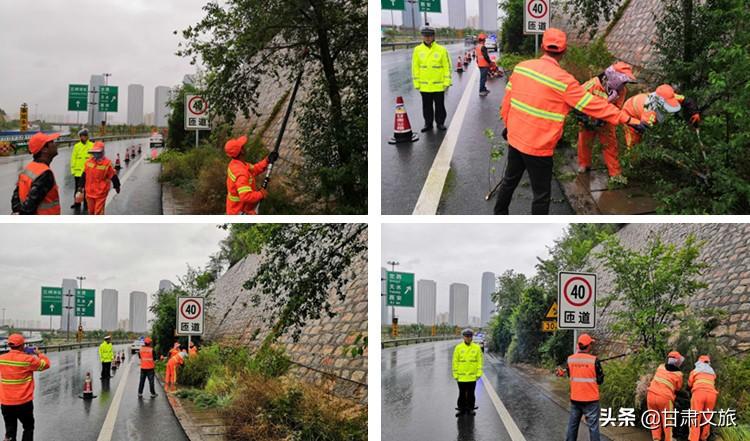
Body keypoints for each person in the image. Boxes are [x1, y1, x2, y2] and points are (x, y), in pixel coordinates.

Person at [495, 28, 646, 215]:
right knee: (541, 195)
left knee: (509, 181)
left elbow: (507, 102)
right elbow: (595, 106)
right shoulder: (565, 81)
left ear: (542, 46)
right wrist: (629, 119)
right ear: (564, 51)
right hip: (539, 148)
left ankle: (500, 213)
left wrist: (507, 125)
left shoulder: (521, 67)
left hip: (515, 139)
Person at [576, 62, 637, 185]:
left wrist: (605, 115)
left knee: (610, 146)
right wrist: (583, 116)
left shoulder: (621, 91)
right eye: (623, 81)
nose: (624, 85)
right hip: (588, 119)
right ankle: (584, 164)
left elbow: (617, 108)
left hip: (607, 121)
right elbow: (578, 100)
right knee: (584, 142)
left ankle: (615, 174)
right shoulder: (592, 84)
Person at [0, 334, 50, 441]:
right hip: (24, 403)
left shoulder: (2, 359)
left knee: (10, 431)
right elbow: (45, 364)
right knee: (28, 427)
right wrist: (39, 354)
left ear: (9, 345)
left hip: (6, 403)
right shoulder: (28, 360)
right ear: (23, 345)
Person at [622, 84, 700, 148]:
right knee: (634, 142)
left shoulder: (669, 96)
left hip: (640, 101)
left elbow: (687, 101)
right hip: (630, 112)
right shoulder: (650, 111)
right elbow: (646, 129)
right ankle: (632, 162)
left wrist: (694, 112)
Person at [412, 25, 452, 132]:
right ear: (422, 36)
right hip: (424, 85)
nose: (427, 37)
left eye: (429, 35)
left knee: (440, 106)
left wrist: (447, 81)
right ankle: (428, 124)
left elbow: (447, 66)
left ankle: (440, 123)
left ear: (434, 36)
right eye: (425, 35)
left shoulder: (441, 50)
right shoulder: (417, 50)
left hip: (439, 85)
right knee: (426, 107)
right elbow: (415, 67)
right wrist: (416, 83)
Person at [565, 333, 604, 441]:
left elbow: (569, 374)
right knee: (593, 427)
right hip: (591, 400)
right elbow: (600, 380)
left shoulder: (570, 359)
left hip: (575, 399)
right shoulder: (594, 360)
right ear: (588, 346)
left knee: (572, 426)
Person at [11, 132, 61, 215]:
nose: (55, 144)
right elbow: (29, 207)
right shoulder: (45, 174)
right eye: (51, 142)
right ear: (44, 149)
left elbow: (16, 196)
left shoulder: (29, 167)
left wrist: (17, 212)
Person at [225, 135, 276, 215]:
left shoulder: (237, 164)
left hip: (237, 208)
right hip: (239, 212)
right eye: (243, 146)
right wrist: (261, 194)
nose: (245, 147)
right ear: (241, 151)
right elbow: (245, 196)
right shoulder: (241, 173)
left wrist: (267, 160)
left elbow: (254, 169)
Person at [646, 351, 684, 441]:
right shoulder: (678, 374)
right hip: (664, 398)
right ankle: (669, 439)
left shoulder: (661, 367)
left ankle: (656, 438)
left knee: (654, 417)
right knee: (667, 419)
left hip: (651, 395)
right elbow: (678, 388)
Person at [82, 141, 120, 215]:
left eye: (98, 152)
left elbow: (113, 176)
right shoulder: (88, 162)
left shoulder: (107, 163)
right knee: (91, 211)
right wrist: (80, 188)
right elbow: (84, 175)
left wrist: (117, 186)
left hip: (100, 193)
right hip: (89, 192)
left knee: (98, 213)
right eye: (94, 152)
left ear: (102, 152)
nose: (96, 154)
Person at [452, 328, 483, 417]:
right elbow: (455, 361)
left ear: (472, 337)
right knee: (461, 393)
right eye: (466, 336)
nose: (468, 338)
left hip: (472, 376)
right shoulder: (458, 347)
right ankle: (461, 409)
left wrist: (479, 373)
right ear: (463, 337)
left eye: (470, 336)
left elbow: (479, 361)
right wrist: (455, 374)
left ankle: (470, 409)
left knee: (471, 394)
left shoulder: (476, 347)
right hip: (461, 376)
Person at [688, 355, 718, 441]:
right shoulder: (712, 372)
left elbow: (690, 384)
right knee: (707, 417)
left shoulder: (695, 371)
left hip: (699, 393)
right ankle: (704, 437)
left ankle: (694, 439)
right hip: (712, 395)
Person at [70, 129, 93, 210]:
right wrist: (73, 170)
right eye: (81, 136)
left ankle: (87, 204)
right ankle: (77, 203)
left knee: (87, 189)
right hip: (78, 172)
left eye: (84, 136)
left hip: (88, 172)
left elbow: (94, 158)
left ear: (87, 137)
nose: (82, 137)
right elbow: (73, 158)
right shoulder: (77, 146)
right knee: (77, 188)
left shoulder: (92, 145)